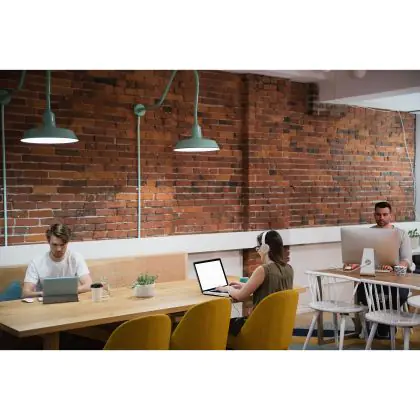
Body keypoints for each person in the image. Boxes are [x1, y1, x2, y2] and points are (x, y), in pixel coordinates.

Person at [220, 230, 294, 336]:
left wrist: (228, 289)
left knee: (221, 325)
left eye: (258, 248)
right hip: (278, 326)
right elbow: (272, 287)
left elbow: (240, 296)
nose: (258, 251)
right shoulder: (289, 268)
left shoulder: (263, 269)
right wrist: (245, 286)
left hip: (259, 327)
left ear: (265, 248)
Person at [356, 201, 412, 338]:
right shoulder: (368, 233)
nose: (381, 217)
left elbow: (406, 259)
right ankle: (382, 322)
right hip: (375, 276)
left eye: (385, 214)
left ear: (391, 215)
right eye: (378, 214)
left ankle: (382, 325)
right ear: (374, 215)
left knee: (400, 295)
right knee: (362, 293)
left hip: (396, 277)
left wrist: (395, 267)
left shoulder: (401, 234)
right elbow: (364, 256)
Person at [22, 223, 93, 298]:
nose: (58, 249)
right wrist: (43, 294)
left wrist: (68, 291)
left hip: (69, 300)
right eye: (55, 245)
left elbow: (89, 285)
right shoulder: (36, 262)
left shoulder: (76, 258)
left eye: (62, 245)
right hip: (45, 301)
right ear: (48, 242)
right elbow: (25, 293)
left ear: (67, 242)